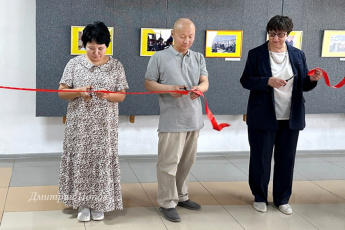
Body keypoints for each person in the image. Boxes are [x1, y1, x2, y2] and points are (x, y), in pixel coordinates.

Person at [240, 15, 322, 215]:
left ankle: (282, 199)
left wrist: (312, 79)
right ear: (268, 32)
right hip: (263, 116)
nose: (275, 38)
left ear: (288, 34)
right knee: (260, 159)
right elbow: (246, 81)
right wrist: (267, 81)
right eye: (272, 33)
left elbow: (303, 85)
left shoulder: (298, 55)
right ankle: (259, 197)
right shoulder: (256, 54)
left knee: (286, 159)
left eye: (280, 34)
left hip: (290, 117)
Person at [58, 21, 129, 222]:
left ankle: (100, 203)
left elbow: (122, 95)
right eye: (91, 48)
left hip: (104, 127)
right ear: (84, 45)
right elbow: (62, 93)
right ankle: (82, 203)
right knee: (82, 162)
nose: (96, 52)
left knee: (101, 162)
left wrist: (108, 96)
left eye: (100, 48)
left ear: (107, 46)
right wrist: (79, 92)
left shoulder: (116, 66)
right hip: (79, 126)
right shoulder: (74, 64)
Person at [144, 18, 209, 222]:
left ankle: (182, 196)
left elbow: (205, 81)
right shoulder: (159, 57)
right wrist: (170, 89)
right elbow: (148, 83)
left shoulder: (198, 57)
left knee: (187, 163)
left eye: (191, 36)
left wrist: (200, 89)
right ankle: (167, 202)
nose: (187, 40)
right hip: (172, 121)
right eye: (182, 36)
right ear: (173, 34)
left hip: (194, 119)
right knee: (168, 164)